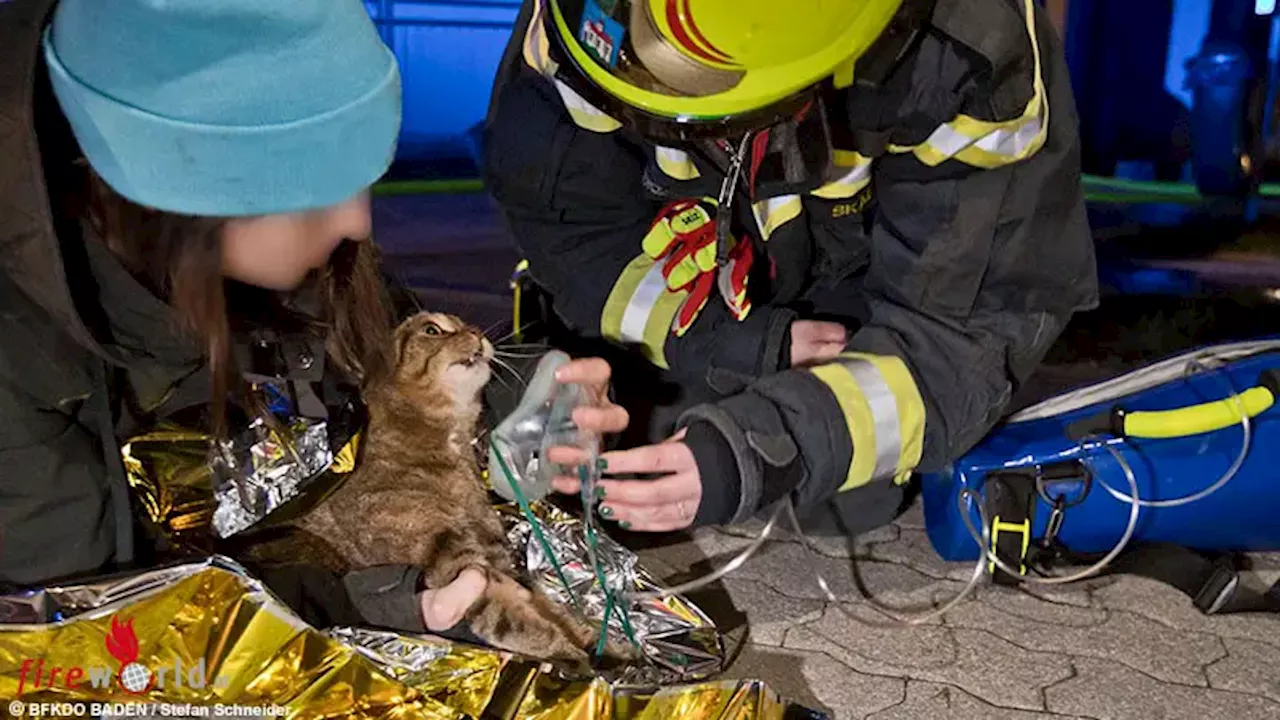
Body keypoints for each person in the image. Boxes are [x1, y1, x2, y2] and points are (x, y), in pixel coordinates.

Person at [0, 0, 626, 635]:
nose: (358, 224)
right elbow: (100, 635)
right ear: (186, 198)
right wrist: (378, 604)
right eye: (316, 190)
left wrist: (526, 409)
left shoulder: (319, 270)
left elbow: (396, 390)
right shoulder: (22, 365)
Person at [484, 0, 1100, 534]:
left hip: (859, 288)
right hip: (681, 269)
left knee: (849, 499)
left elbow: (964, 333)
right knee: (591, 438)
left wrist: (772, 444)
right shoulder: (577, 29)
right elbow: (572, 231)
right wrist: (734, 345)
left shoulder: (965, 50)